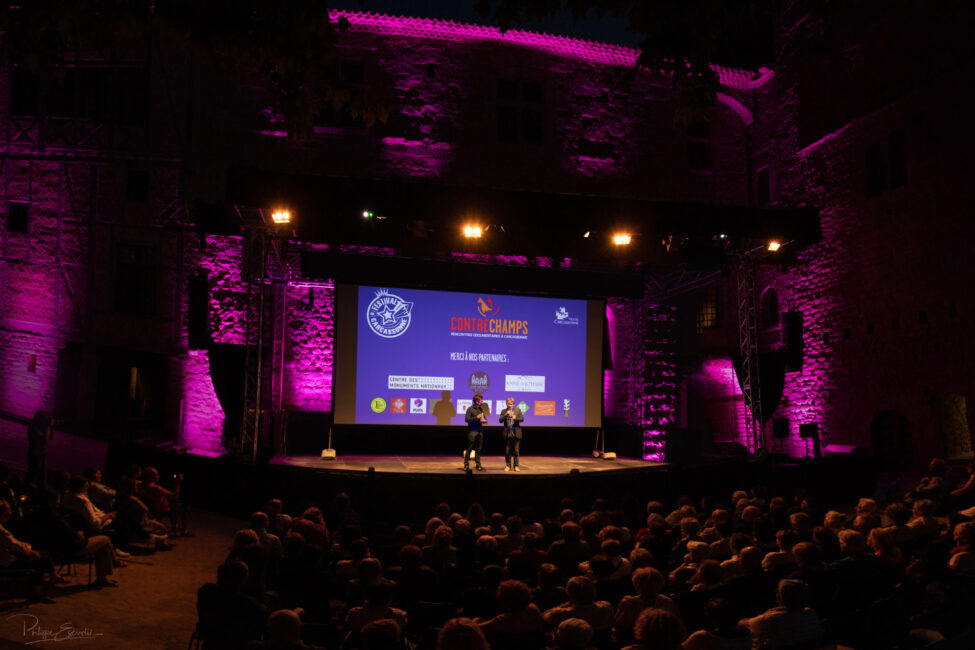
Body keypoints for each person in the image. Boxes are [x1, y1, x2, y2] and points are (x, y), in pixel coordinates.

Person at [25, 410, 53, 490]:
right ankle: (28, 489)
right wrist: (49, 426)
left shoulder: (39, 426)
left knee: (41, 474)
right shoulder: (33, 426)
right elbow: (45, 438)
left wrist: (49, 427)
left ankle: (39, 487)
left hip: (41, 452)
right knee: (33, 473)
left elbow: (50, 438)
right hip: (35, 453)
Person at [499, 397, 525, 472]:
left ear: (513, 404)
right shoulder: (504, 411)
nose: (509, 405)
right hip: (507, 433)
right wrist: (505, 415)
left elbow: (522, 419)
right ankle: (508, 466)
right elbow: (500, 420)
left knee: (516, 450)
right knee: (507, 451)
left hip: (516, 432)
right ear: (506, 404)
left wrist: (515, 417)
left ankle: (516, 466)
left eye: (511, 404)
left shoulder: (517, 410)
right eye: (508, 404)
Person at [464, 393, 488, 472]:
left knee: (479, 449)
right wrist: (476, 418)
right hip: (472, 431)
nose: (482, 401)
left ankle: (478, 465)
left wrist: (484, 420)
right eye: (481, 400)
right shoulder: (470, 409)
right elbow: (467, 420)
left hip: (480, 431)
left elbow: (484, 419)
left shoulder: (481, 409)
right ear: (477, 401)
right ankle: (466, 465)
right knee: (469, 448)